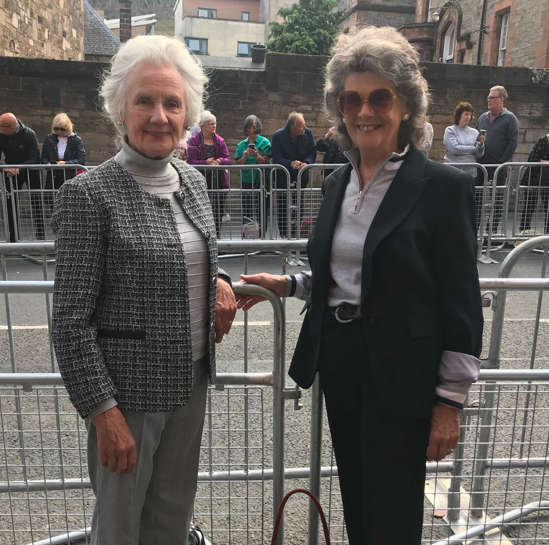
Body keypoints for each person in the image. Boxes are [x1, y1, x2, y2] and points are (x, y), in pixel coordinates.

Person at [236, 26, 483, 545]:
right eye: (352, 99)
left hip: (406, 370)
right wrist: (290, 284)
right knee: (356, 492)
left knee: (392, 507)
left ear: (406, 106)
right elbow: (346, 272)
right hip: (343, 356)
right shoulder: (336, 183)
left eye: (379, 97)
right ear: (339, 108)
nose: (365, 111)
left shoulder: (443, 188)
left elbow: (461, 301)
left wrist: (449, 403)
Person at [51, 35, 237, 545]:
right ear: (120, 109)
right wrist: (102, 412)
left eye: (172, 103)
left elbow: (187, 256)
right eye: (144, 101)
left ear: (188, 112)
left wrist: (218, 280)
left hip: (190, 383)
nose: (159, 115)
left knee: (171, 522)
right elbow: (69, 321)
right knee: (119, 528)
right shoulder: (88, 195)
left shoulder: (194, 184)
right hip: (126, 400)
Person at [476, 85, 519, 232]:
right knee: (478, 198)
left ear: (501, 99)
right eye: (488, 97)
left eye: (491, 97)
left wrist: (502, 163)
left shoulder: (510, 119)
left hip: (499, 167)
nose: (488, 100)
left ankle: (491, 231)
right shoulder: (482, 117)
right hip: (481, 166)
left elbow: (513, 142)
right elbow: (476, 138)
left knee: (497, 200)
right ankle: (475, 228)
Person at [271, 112, 316, 238]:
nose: (305, 128)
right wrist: (290, 163)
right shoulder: (278, 136)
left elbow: (312, 152)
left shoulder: (308, 134)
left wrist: (306, 163)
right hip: (282, 177)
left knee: (299, 205)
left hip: (300, 177)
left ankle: (296, 233)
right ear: (292, 129)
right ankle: (284, 234)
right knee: (283, 206)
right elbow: (276, 158)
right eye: (302, 126)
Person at [187, 111, 231, 237]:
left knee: (217, 211)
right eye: (211, 124)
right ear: (203, 126)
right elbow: (190, 161)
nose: (214, 126)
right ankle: (203, 238)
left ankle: (216, 239)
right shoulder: (194, 141)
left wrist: (219, 161)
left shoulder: (220, 141)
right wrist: (205, 162)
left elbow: (228, 159)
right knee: (202, 211)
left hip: (218, 181)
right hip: (200, 180)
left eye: (215, 123)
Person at [0, 112, 41, 241]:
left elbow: (35, 158)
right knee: (10, 203)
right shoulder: (1, 135)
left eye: (1, 126)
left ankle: (41, 236)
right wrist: (4, 168)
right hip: (11, 172)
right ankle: (13, 237)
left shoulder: (29, 134)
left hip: (30, 171)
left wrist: (18, 169)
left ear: (11, 127)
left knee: (37, 203)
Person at [235, 115, 271, 237]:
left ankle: (261, 235)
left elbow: (266, 162)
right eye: (249, 127)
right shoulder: (241, 145)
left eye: (254, 127)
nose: (251, 130)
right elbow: (238, 164)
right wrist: (245, 156)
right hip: (247, 180)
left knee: (263, 209)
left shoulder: (265, 142)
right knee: (247, 209)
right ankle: (247, 235)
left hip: (262, 180)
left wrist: (256, 156)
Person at [41, 113, 86, 189]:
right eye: (56, 128)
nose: (59, 131)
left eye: (62, 129)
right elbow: (43, 157)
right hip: (53, 176)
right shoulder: (49, 139)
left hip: (70, 177)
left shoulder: (76, 140)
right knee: (51, 199)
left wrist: (65, 163)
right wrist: (48, 164)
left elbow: (81, 159)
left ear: (68, 128)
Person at [444, 102, 485, 176]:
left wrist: (480, 145)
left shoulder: (475, 132)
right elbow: (455, 149)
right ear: (459, 115)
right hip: (452, 171)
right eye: (466, 114)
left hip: (470, 172)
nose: (468, 117)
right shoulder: (450, 130)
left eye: (470, 115)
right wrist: (473, 149)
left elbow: (479, 155)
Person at [519, 134, 549, 233]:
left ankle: (547, 234)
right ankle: (523, 232)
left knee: (548, 207)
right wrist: (542, 161)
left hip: (547, 180)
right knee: (529, 206)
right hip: (533, 178)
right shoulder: (542, 141)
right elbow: (531, 159)